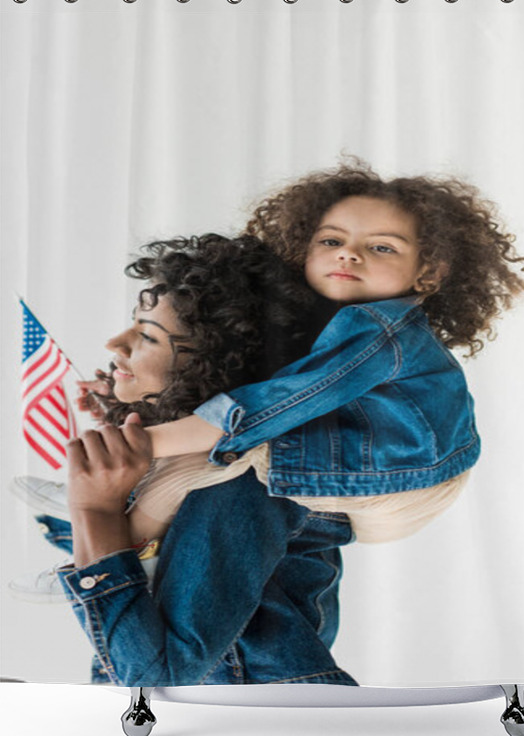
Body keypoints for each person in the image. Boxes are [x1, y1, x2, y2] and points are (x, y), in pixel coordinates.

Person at [135, 161, 524, 543]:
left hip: (400, 475)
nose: (348, 253)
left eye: (381, 248)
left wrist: (140, 443)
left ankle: (124, 544)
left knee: (190, 466)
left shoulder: (377, 326)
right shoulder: (344, 317)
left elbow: (274, 404)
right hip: (419, 469)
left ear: (428, 273)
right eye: (331, 240)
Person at [53, 234, 358, 686]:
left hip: (254, 730)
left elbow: (159, 677)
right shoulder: (186, 468)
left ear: (216, 369)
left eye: (148, 336)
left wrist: (94, 511)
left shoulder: (243, 477)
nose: (115, 343)